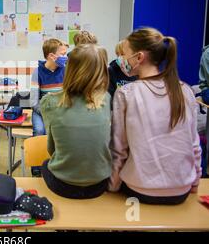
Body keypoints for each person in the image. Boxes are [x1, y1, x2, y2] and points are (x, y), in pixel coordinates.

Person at [109, 28, 201, 205]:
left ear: (139, 57)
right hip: (181, 190)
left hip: (139, 189)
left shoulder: (126, 93)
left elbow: (119, 149)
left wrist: (112, 186)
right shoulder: (185, 90)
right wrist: (195, 182)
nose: (122, 60)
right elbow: (194, 144)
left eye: (125, 54)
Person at [40, 44, 112, 199]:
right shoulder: (106, 99)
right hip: (100, 184)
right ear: (102, 71)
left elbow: (52, 149)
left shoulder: (50, 102)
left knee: (45, 164)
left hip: (63, 186)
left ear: (69, 69)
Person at [30, 38, 68, 137]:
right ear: (51, 56)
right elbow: (33, 102)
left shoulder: (66, 71)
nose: (66, 57)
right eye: (63, 54)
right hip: (41, 111)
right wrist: (47, 113)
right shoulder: (37, 72)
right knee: (39, 131)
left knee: (55, 133)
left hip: (60, 111)